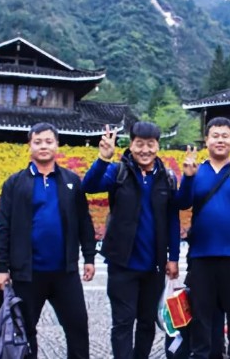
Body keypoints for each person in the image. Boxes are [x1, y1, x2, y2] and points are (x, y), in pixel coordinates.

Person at [0, 122, 96, 359]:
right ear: (29, 146)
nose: (43, 146)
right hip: (27, 274)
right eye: (37, 142)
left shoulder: (71, 181)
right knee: (24, 332)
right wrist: (1, 267)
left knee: (78, 328)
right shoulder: (15, 183)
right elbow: (3, 226)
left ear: (57, 145)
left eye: (49, 141)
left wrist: (89, 257)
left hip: (65, 272)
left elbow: (84, 221)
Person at [82, 121, 183, 359]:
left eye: (150, 144)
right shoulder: (118, 171)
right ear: (131, 145)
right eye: (139, 144)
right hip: (122, 263)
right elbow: (88, 186)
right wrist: (103, 159)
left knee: (147, 322)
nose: (145, 150)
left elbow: (173, 219)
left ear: (158, 146)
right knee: (123, 322)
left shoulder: (167, 178)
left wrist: (174, 257)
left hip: (153, 265)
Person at [176, 116, 230, 359]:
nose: (220, 140)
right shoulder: (197, 171)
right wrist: (188, 177)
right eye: (215, 136)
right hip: (201, 256)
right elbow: (182, 203)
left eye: (225, 136)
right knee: (202, 315)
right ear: (206, 140)